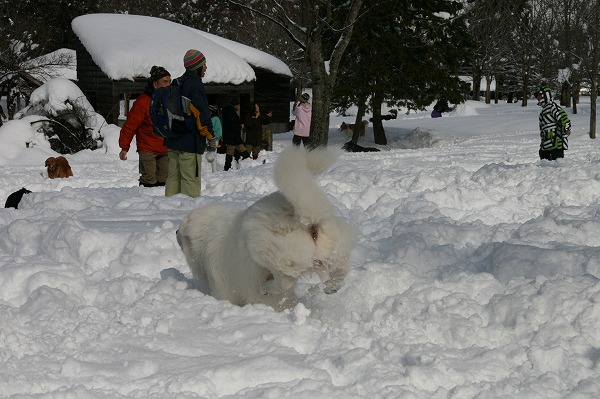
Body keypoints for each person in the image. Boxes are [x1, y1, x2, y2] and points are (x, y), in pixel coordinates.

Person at [164, 49, 216, 197]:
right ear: (196, 66)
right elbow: (201, 115)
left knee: (173, 178)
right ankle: (188, 212)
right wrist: (210, 137)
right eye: (204, 64)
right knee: (190, 181)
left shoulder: (176, 83)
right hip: (190, 142)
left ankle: (169, 209)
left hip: (173, 140)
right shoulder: (195, 85)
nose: (206, 67)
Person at [119, 66, 171, 187]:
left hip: (165, 148)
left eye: (169, 81)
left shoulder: (170, 100)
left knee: (165, 180)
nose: (168, 84)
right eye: (165, 82)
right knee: (149, 179)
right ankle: (145, 202)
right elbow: (130, 125)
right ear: (155, 84)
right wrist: (124, 147)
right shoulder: (143, 102)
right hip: (148, 148)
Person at [534, 85, 571, 161]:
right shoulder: (544, 110)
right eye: (536, 96)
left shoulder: (552, 107)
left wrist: (567, 128)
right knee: (544, 162)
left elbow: (564, 118)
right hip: (546, 143)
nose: (537, 97)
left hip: (555, 143)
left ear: (545, 95)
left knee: (556, 166)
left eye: (539, 95)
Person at [221, 96, 250, 171]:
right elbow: (232, 124)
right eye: (238, 105)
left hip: (233, 137)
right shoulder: (230, 112)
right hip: (232, 137)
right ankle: (227, 168)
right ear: (236, 105)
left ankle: (227, 167)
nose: (239, 107)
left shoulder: (229, 111)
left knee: (238, 150)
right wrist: (240, 126)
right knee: (231, 152)